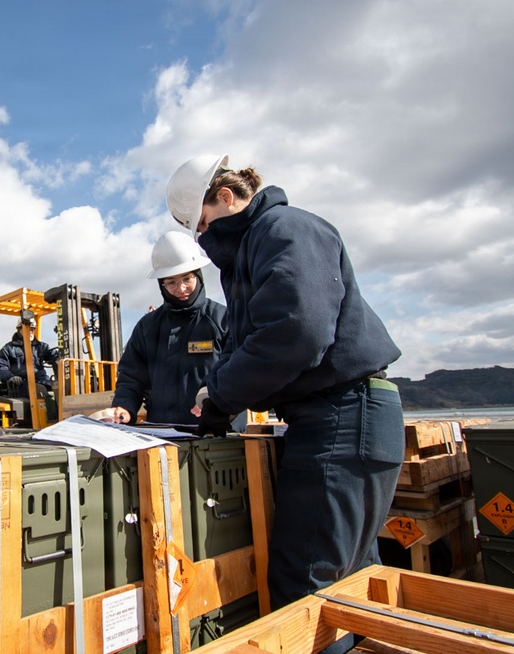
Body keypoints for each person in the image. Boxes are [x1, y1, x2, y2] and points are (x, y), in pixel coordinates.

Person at [167, 155, 404, 647]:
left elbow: (298, 331)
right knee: (350, 574)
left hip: (344, 415)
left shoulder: (285, 229)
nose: (203, 242)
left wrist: (226, 392)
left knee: (307, 587)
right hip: (334, 417)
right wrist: (213, 396)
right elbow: (246, 341)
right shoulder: (252, 251)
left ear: (227, 198)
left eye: (205, 226)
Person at [100, 231, 227, 425]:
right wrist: (124, 406)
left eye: (187, 279)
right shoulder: (147, 327)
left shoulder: (222, 319)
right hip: (162, 432)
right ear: (161, 284)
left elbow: (240, 371)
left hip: (219, 430)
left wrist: (219, 403)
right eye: (171, 282)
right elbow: (131, 377)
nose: (181, 288)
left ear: (198, 277)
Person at [0, 316, 61, 395]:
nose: (30, 332)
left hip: (41, 382)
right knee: (39, 391)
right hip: (20, 385)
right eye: (28, 329)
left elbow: (55, 358)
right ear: (19, 330)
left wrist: (60, 358)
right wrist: (10, 377)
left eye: (32, 329)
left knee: (60, 390)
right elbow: (1, 369)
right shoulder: (8, 349)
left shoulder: (42, 347)